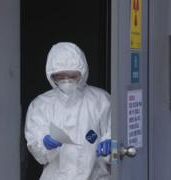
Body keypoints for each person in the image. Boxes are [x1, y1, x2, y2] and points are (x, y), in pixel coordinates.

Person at [24, 42, 111, 180]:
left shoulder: (100, 100)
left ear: (82, 72)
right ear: (51, 75)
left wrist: (110, 144)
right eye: (60, 76)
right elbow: (39, 153)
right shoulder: (41, 105)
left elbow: (115, 138)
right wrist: (44, 144)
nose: (66, 80)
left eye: (72, 76)